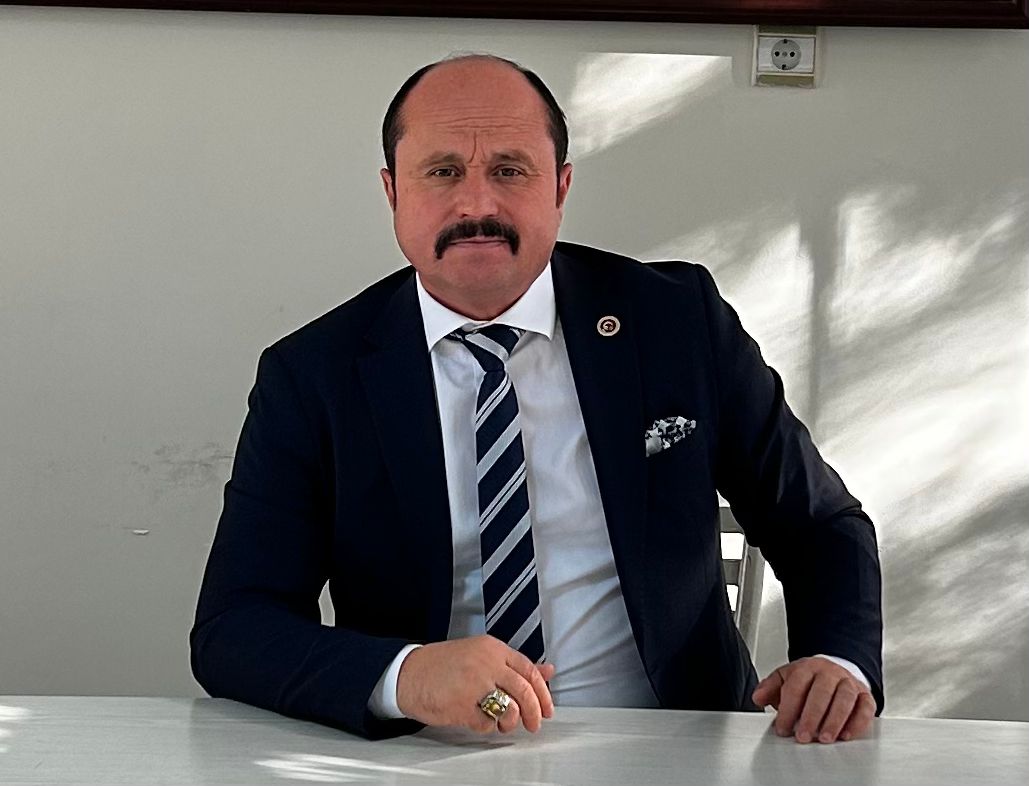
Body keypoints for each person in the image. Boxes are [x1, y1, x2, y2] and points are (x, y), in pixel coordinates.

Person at [190, 53, 883, 744]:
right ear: (392, 192)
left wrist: (835, 660)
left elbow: (820, 524)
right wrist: (404, 677)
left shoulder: (676, 323)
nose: (477, 205)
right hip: (426, 752)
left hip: (670, 746)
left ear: (560, 187)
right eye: (442, 172)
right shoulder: (313, 375)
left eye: (509, 170)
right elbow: (235, 625)